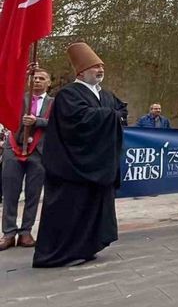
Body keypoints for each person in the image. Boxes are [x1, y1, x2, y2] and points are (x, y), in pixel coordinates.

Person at [33, 43, 127, 268]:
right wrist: (111, 116)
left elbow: (121, 110)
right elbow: (80, 122)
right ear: (81, 72)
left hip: (99, 163)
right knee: (71, 209)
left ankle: (87, 247)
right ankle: (61, 253)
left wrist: (111, 115)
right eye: (95, 66)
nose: (100, 70)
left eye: (101, 66)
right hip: (73, 166)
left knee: (94, 207)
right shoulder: (68, 94)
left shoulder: (105, 95)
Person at [1, 67, 52, 251]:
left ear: (49, 82)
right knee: (10, 193)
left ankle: (25, 232)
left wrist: (37, 121)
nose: (37, 81)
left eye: (42, 78)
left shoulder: (54, 103)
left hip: (38, 152)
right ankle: (8, 233)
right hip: (13, 149)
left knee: (33, 194)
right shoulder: (18, 98)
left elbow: (58, 123)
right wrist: (20, 73)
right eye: (34, 78)